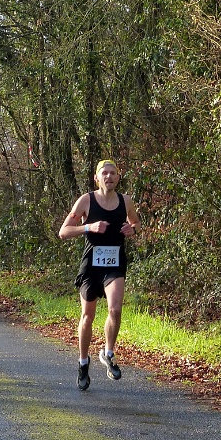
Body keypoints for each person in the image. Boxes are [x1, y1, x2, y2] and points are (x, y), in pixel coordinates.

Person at [58, 159, 141, 391]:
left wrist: (132, 229)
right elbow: (63, 232)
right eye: (104, 173)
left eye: (113, 173)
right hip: (91, 266)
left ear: (118, 177)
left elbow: (136, 222)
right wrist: (88, 227)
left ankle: (108, 353)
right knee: (88, 316)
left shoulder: (125, 201)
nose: (109, 177)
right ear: (97, 178)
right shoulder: (86, 200)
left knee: (115, 309)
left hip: (115, 263)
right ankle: (83, 362)